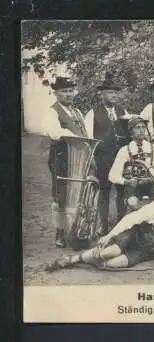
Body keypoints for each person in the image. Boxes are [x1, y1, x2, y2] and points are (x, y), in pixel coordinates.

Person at [45, 183, 154, 271]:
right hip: (134, 234)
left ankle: (90, 257)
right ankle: (70, 260)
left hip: (146, 251)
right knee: (109, 252)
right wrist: (110, 235)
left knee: (110, 265)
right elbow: (132, 218)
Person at [40, 76, 91, 247]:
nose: (69, 94)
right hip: (62, 157)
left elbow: (86, 134)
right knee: (61, 195)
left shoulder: (77, 112)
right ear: (56, 93)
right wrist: (75, 138)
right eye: (64, 91)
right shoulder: (52, 111)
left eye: (71, 91)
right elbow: (55, 132)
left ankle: (77, 230)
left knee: (79, 193)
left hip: (80, 157)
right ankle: (60, 232)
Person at [83, 75, 134, 235]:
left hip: (120, 157)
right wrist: (91, 159)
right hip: (102, 158)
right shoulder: (93, 113)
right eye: (110, 93)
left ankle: (120, 225)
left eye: (115, 93)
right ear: (102, 94)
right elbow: (88, 139)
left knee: (121, 190)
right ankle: (103, 226)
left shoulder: (122, 111)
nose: (114, 96)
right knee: (104, 191)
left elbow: (128, 133)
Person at [108, 117, 154, 211]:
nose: (141, 130)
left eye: (143, 127)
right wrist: (126, 181)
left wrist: (152, 178)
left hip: (151, 184)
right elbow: (112, 175)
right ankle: (142, 217)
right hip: (133, 186)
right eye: (137, 127)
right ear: (131, 131)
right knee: (133, 202)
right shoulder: (124, 150)